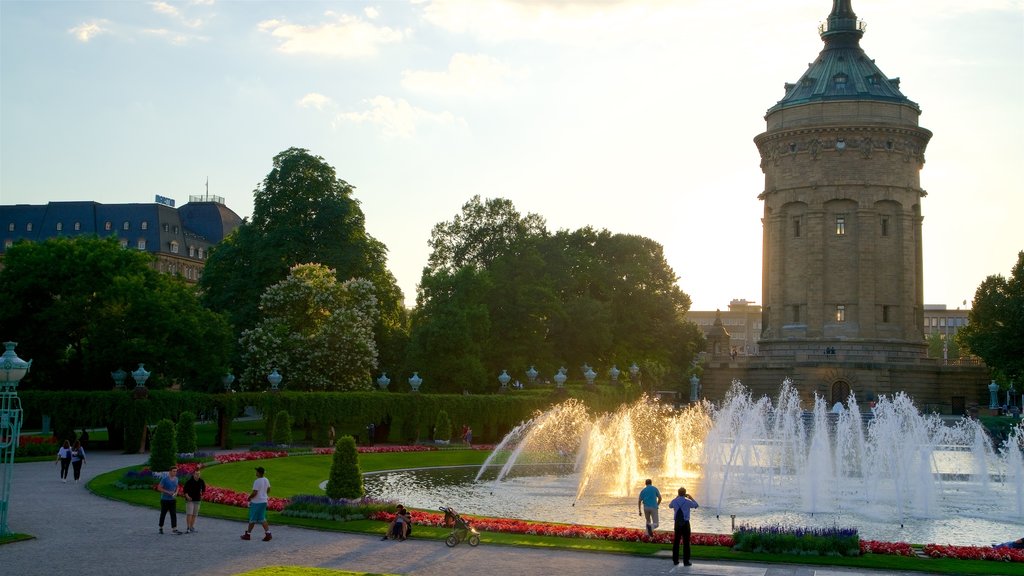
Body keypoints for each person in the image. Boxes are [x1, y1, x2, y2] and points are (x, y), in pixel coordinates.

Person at [668, 486, 699, 566]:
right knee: (686, 542)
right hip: (685, 523)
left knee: (676, 542)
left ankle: (675, 560)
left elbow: (670, 506)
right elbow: (696, 505)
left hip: (677, 523)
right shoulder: (688, 501)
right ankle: (686, 561)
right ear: (685, 494)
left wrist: (676, 497)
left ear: (678, 493)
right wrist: (691, 497)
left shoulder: (674, 501)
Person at [241, 466, 272, 541]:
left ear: (259, 473)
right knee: (262, 518)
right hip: (264, 501)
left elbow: (255, 492)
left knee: (252, 519)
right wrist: (264, 495)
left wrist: (249, 498)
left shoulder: (257, 481)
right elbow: (269, 489)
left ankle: (248, 535)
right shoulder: (266, 480)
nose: (256, 473)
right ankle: (268, 534)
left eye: (257, 471)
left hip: (256, 502)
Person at [158, 466, 182, 535]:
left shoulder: (176, 479)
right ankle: (161, 527)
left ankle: (174, 528)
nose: (175, 472)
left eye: (176, 471)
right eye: (174, 471)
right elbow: (159, 488)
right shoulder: (164, 479)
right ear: (170, 471)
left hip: (172, 499)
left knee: (173, 514)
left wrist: (176, 492)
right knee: (163, 514)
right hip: (165, 500)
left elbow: (177, 486)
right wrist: (168, 492)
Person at [182, 466, 207, 533]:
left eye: (199, 474)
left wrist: (202, 495)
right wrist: (187, 496)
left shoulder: (201, 481)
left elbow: (204, 489)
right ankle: (188, 528)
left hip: (197, 500)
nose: (197, 475)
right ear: (193, 474)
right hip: (190, 500)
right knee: (189, 513)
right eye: (196, 474)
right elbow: (185, 490)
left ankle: (191, 527)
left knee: (194, 514)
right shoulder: (189, 481)